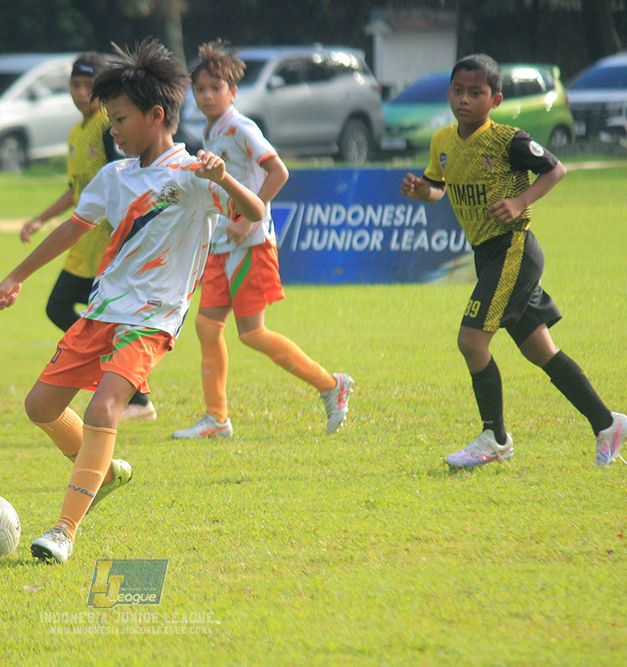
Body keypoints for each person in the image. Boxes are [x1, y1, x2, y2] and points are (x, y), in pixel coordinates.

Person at [0, 39, 266, 563]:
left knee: (104, 407)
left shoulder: (192, 174)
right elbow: (71, 232)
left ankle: (64, 532)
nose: (111, 130)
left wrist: (223, 176)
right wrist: (17, 275)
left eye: (118, 120)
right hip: (102, 312)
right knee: (39, 406)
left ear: (155, 115)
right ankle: (105, 470)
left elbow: (251, 211)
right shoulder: (113, 177)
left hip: (152, 320)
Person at [399, 53, 624, 468]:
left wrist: (520, 201)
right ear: (448, 93)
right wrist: (420, 192)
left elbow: (556, 170)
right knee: (541, 351)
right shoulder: (443, 141)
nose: (464, 99)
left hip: (513, 249)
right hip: (487, 255)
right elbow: (437, 187)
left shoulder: (507, 140)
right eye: (458, 91)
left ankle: (495, 437)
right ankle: (607, 422)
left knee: (471, 341)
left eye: (476, 93)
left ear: (495, 100)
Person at [172, 40, 354, 441]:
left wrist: (246, 222)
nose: (206, 95)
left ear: (232, 92)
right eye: (200, 89)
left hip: (249, 242)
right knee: (206, 327)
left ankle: (330, 384)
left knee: (251, 333)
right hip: (222, 245)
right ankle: (216, 419)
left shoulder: (240, 126)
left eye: (214, 88)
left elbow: (278, 172)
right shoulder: (211, 128)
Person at [20, 52, 157, 421]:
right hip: (81, 244)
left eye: (88, 86)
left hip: (104, 248)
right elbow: (76, 190)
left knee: (88, 318)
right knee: (66, 311)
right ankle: (125, 389)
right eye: (75, 85)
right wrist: (39, 219)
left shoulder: (108, 126)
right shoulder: (77, 133)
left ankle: (133, 396)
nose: (81, 93)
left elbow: (126, 182)